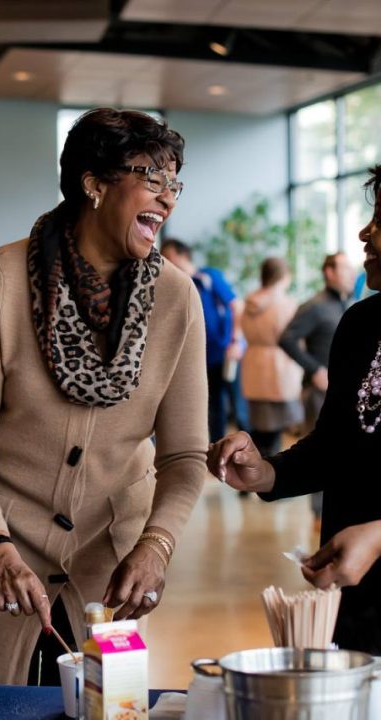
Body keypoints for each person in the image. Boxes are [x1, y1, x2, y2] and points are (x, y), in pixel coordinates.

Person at [0, 108, 208, 685]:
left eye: (175, 183)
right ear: (94, 184)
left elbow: (186, 455)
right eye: (152, 178)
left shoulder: (177, 298)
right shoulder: (6, 277)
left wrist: (156, 545)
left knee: (101, 702)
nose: (168, 197)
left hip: (111, 556)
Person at [207, 164, 381, 654]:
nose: (365, 233)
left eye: (380, 220)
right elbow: (333, 446)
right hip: (356, 603)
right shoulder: (361, 324)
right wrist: (266, 472)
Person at [279, 251, 355, 523]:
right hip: (319, 392)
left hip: (347, 391)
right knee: (322, 451)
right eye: (345, 269)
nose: (351, 274)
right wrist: (315, 370)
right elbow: (287, 338)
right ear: (329, 272)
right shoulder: (314, 306)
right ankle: (319, 515)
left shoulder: (349, 304)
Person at [160, 238, 249, 441]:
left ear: (183, 255)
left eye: (169, 255)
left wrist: (236, 341)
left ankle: (252, 452)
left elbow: (237, 306)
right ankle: (217, 451)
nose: (166, 260)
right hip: (203, 357)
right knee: (213, 407)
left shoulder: (208, 276)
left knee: (239, 407)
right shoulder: (176, 285)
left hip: (227, 352)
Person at [240, 257, 303, 457]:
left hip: (253, 364)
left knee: (260, 425)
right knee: (275, 428)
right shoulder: (286, 304)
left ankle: (253, 462)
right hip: (278, 368)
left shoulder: (249, 302)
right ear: (284, 276)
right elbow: (295, 339)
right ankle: (267, 467)